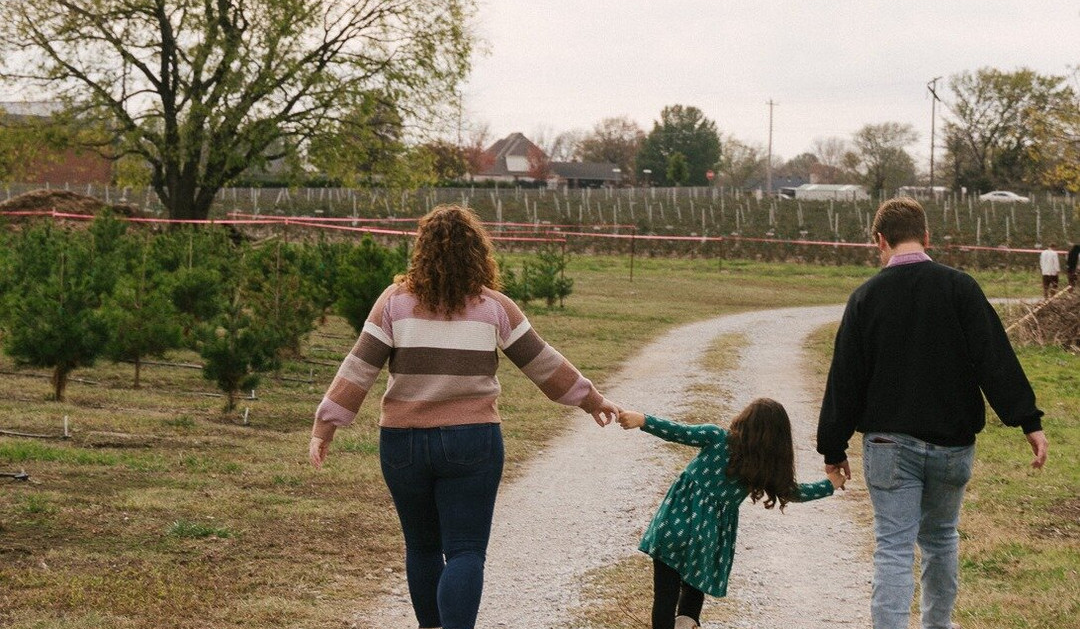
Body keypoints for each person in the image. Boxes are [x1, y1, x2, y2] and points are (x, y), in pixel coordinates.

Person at [309, 204, 619, 629]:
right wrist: (592, 400)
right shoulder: (494, 308)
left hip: (403, 444)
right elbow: (544, 365)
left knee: (421, 547)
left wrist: (326, 425)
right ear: (479, 252)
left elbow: (358, 368)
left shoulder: (394, 304)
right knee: (466, 551)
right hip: (472, 441)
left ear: (422, 251)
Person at [817, 196, 1048, 629]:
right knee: (941, 539)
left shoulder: (865, 298)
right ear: (926, 236)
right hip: (951, 444)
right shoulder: (961, 288)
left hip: (887, 446)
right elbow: (994, 357)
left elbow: (844, 379)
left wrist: (833, 448)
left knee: (894, 547)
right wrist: (1027, 421)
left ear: (879, 241)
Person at [618, 398, 844, 629]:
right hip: (706, 539)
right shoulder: (760, 469)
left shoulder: (715, 437)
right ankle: (686, 623)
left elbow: (677, 432)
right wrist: (829, 485)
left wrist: (643, 420)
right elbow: (794, 492)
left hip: (674, 526)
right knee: (694, 590)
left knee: (665, 596)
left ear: (744, 420)